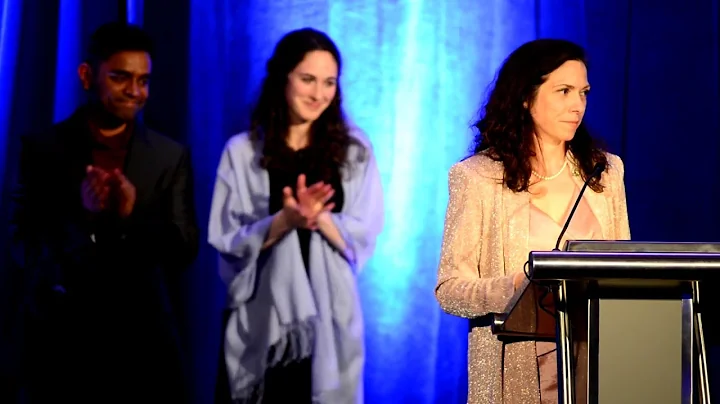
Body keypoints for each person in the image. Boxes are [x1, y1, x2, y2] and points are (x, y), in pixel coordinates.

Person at [9, 22, 198, 403]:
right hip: (61, 343)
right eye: (120, 78)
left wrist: (131, 219)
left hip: (143, 346)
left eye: (144, 81)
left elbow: (184, 249)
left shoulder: (168, 156)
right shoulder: (44, 150)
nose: (135, 91)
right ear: (85, 75)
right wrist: (85, 218)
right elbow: (21, 246)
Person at [434, 39, 631, 404]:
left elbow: (623, 273)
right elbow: (449, 291)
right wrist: (516, 286)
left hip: (596, 361)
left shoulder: (605, 172)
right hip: (519, 368)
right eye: (564, 91)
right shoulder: (477, 178)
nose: (577, 105)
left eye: (583, 93)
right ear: (526, 96)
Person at [208, 27, 384, 404]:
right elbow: (226, 238)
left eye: (329, 82)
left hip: (330, 317)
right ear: (282, 77)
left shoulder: (353, 151)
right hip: (262, 318)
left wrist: (318, 218)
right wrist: (284, 220)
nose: (318, 94)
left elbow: (366, 231)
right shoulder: (242, 152)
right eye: (307, 79)